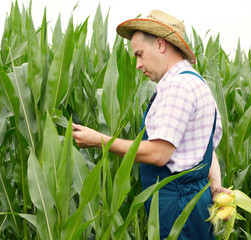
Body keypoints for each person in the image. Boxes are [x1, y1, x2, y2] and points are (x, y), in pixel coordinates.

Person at [72, 9, 231, 239]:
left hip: (177, 207)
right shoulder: (197, 83)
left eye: (139, 54)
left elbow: (159, 154)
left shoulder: (178, 87)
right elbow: (208, 148)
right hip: (197, 202)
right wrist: (215, 188)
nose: (137, 64)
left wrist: (99, 140)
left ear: (160, 45)